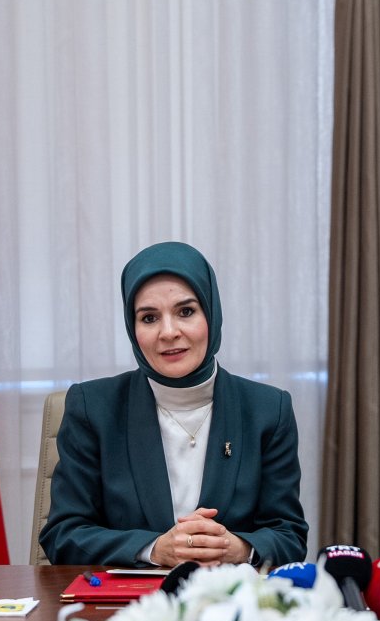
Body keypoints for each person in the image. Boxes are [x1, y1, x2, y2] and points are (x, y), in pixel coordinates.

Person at [40, 241, 308, 567]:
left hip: (232, 606)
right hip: (124, 610)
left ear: (211, 313)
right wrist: (154, 549)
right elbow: (63, 536)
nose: (169, 332)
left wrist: (237, 548)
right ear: (132, 327)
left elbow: (289, 536)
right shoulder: (93, 408)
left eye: (186, 312)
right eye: (149, 318)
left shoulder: (268, 410)